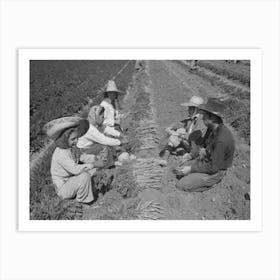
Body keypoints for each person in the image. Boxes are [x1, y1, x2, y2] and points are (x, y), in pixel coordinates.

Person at [173, 97, 235, 192]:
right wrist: (189, 156)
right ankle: (196, 175)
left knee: (181, 185)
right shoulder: (211, 128)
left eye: (205, 115)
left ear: (213, 118)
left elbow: (213, 167)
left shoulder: (221, 140)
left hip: (215, 171)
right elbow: (201, 146)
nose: (202, 117)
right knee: (180, 169)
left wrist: (191, 169)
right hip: (207, 160)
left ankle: (209, 183)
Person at [44, 116, 102, 204]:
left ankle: (92, 192)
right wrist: (94, 164)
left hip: (72, 181)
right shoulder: (61, 153)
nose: (76, 141)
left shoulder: (71, 148)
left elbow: (82, 156)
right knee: (84, 176)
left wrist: (96, 158)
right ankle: (83, 202)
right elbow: (75, 169)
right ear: (65, 139)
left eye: (77, 138)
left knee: (93, 170)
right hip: (63, 187)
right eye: (73, 139)